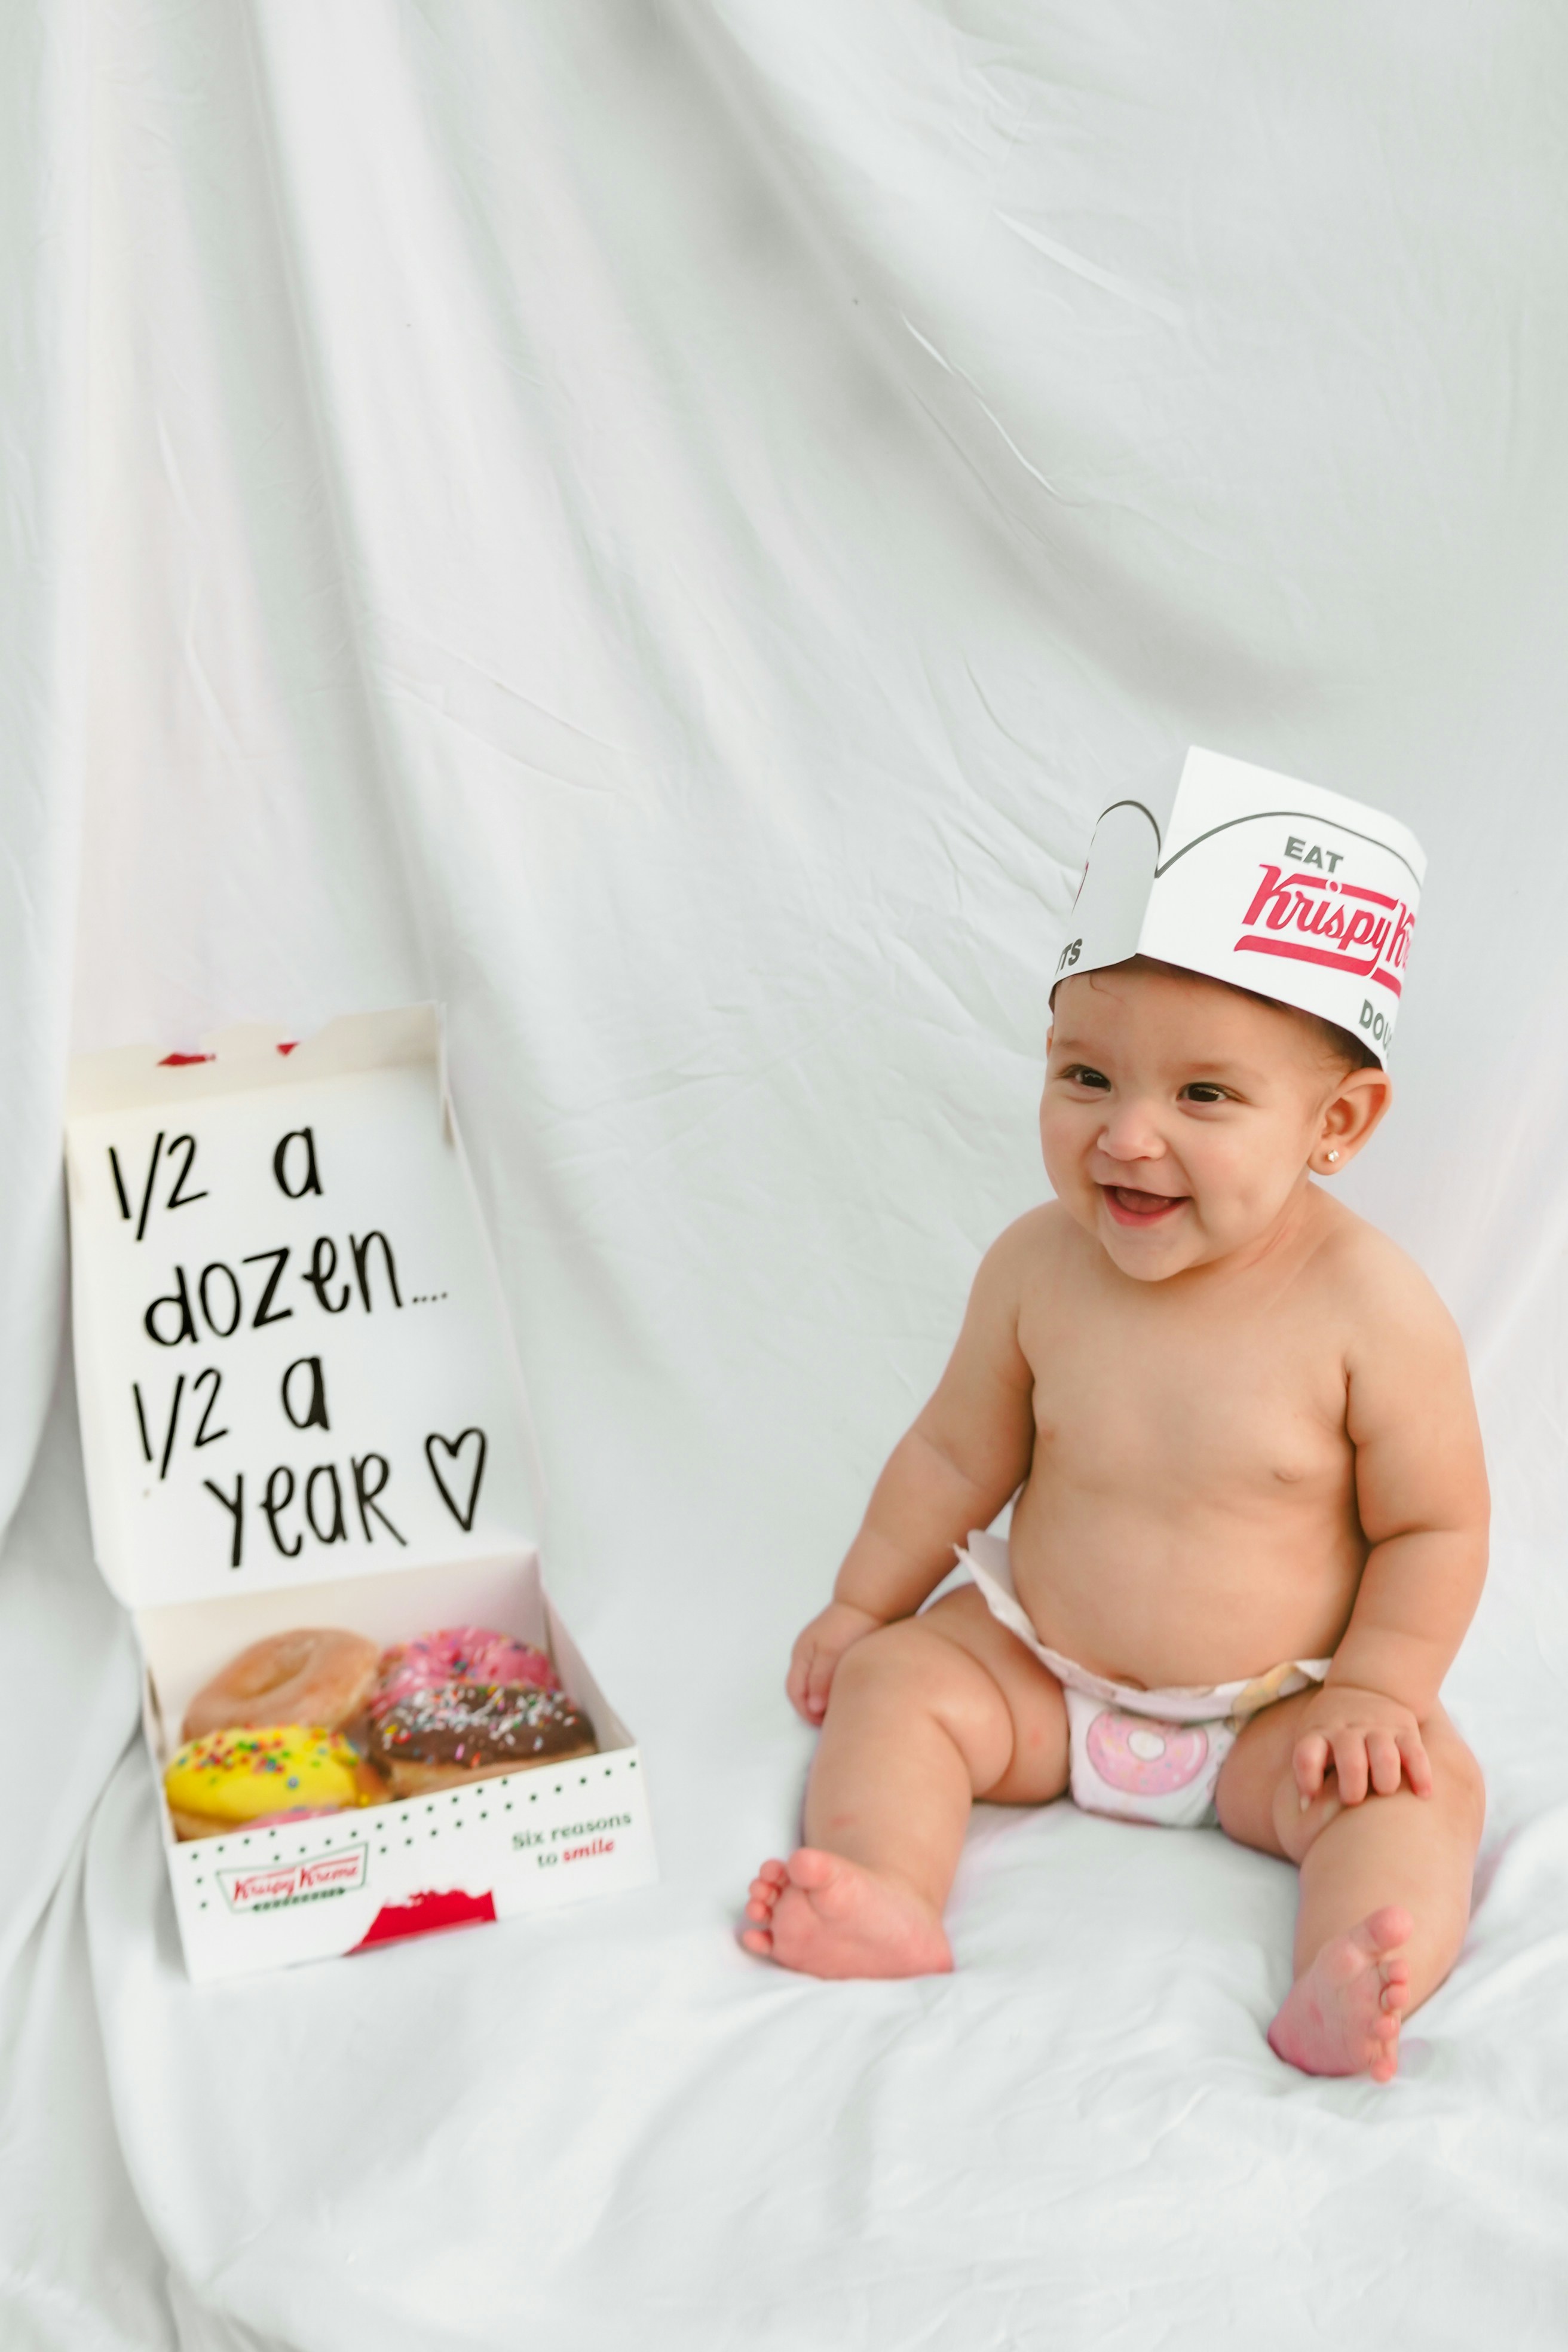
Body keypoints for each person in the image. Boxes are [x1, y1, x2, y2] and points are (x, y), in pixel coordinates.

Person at [742, 765, 1486, 2084]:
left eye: (1204, 1097)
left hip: (1277, 1717)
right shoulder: (1036, 1267)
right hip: (1041, 1678)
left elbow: (1436, 1525)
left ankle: (1350, 1972)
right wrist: (864, 1606)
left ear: (1337, 1123)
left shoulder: (1372, 1309)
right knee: (897, 1686)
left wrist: (1378, 1689)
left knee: (1420, 1788)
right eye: (1086, 1076)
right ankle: (883, 1891)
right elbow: (953, 1455)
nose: (1127, 1136)